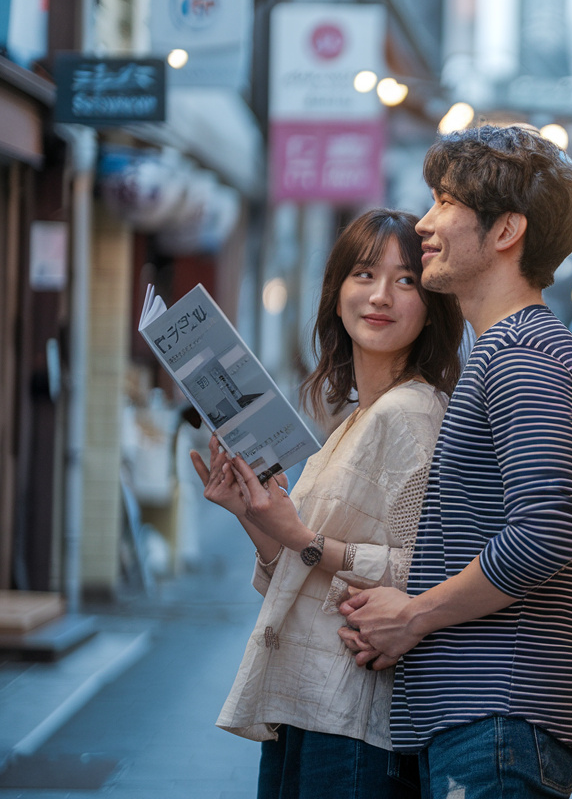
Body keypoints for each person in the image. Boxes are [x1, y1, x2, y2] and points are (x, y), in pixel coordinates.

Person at [337, 125, 572, 799]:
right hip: (483, 718)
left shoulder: (521, 354)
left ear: (506, 230)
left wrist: (415, 614)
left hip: (498, 715)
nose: (425, 223)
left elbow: (544, 533)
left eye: (446, 203)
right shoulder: (508, 348)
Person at [190, 208, 465, 798]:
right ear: (337, 292)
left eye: (406, 280)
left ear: (432, 302)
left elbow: (425, 576)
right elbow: (302, 574)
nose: (381, 295)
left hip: (356, 716)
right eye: (364, 274)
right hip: (312, 701)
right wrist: (254, 514)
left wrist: (300, 536)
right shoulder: (356, 418)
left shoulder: (412, 413)